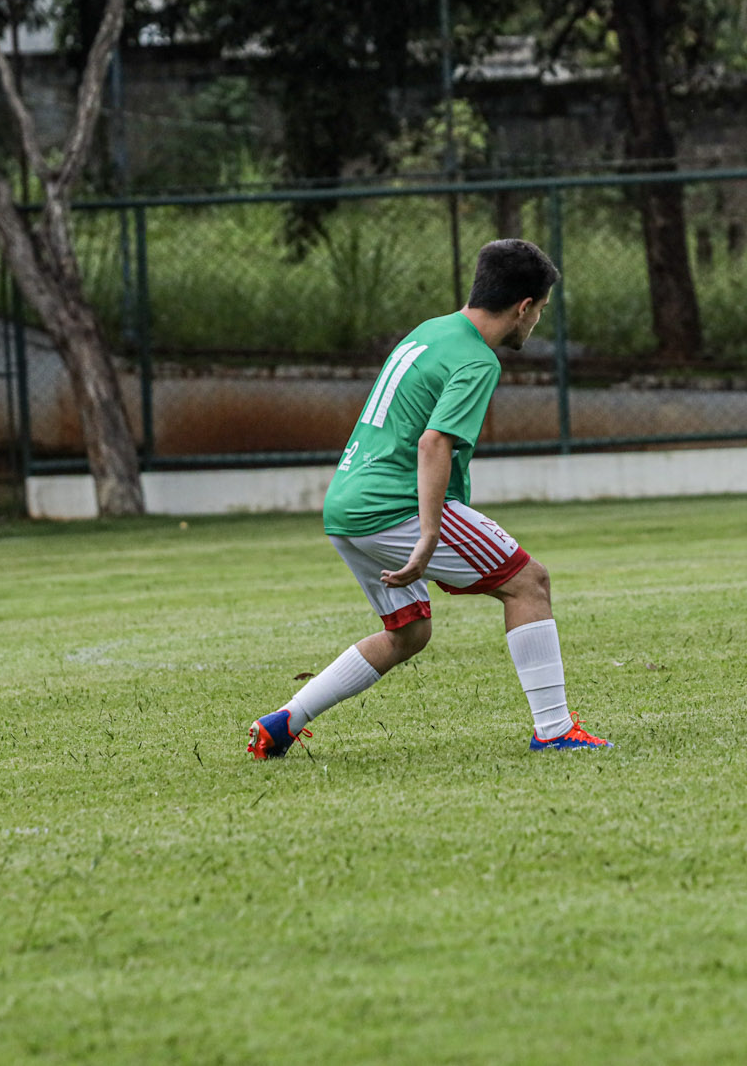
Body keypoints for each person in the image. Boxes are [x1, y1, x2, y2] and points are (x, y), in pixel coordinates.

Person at [247, 239, 612, 757]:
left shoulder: (430, 331)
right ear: (523, 306)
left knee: (409, 633)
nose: (536, 324)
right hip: (391, 505)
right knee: (530, 583)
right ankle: (555, 731)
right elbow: (432, 442)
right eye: (540, 312)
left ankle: (285, 721)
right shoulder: (477, 360)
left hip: (346, 505)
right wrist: (428, 533)